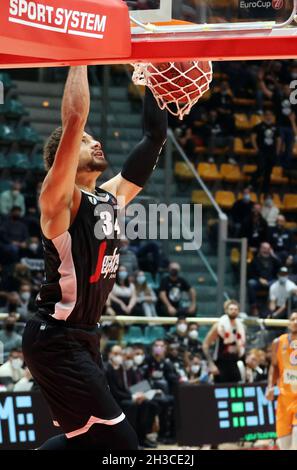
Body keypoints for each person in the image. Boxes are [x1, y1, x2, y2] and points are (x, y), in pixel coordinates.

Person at [22, 66, 167, 450]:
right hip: (56, 336)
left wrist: (155, 78)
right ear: (66, 157)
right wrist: (81, 57)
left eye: (92, 138)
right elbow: (73, 119)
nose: (96, 142)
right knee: (120, 442)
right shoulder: (60, 199)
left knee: (87, 439)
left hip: (83, 336)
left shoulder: (109, 196)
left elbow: (154, 138)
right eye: (86, 142)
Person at [266, 312, 297, 450]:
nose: (296, 321)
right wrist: (270, 386)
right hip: (284, 399)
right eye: (293, 319)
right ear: (288, 322)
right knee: (284, 444)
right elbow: (274, 366)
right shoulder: (278, 342)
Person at [202, 300, 246, 383]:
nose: (233, 311)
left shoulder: (240, 327)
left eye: (236, 309)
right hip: (220, 365)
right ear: (226, 310)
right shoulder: (219, 326)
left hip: (234, 363)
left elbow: (242, 347)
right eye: (231, 309)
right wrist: (211, 364)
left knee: (236, 392)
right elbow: (205, 345)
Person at [250, 109, 281, 194]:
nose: (268, 116)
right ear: (264, 116)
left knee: (268, 171)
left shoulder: (275, 127)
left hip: (271, 152)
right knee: (261, 167)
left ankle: (265, 189)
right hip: (262, 151)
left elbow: (278, 139)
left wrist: (277, 151)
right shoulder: (258, 126)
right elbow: (253, 137)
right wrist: (256, 148)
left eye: (270, 115)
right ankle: (252, 183)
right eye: (267, 115)